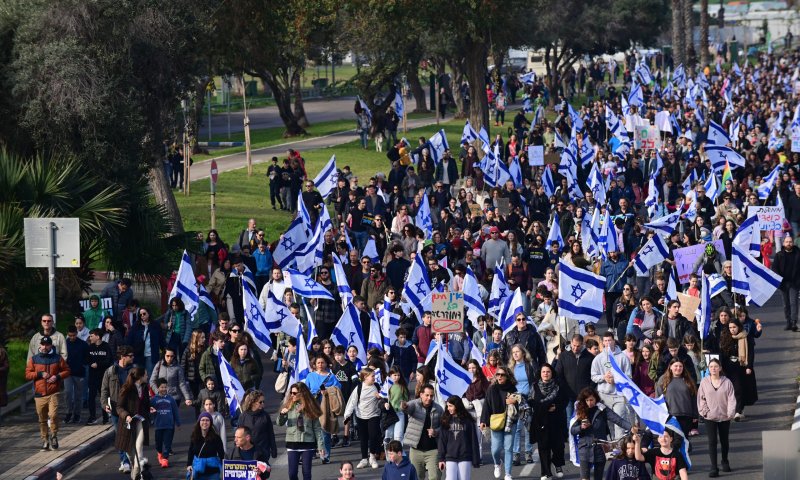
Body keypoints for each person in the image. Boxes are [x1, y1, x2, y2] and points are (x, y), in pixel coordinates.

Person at [571, 387, 634, 480]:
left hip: (601, 448)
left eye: (591, 400)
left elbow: (618, 420)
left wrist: (631, 427)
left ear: (596, 398)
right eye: (587, 400)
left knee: (598, 477)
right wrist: (581, 427)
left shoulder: (602, 409)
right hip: (585, 448)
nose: (589, 402)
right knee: (584, 478)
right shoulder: (580, 410)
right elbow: (573, 430)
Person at [25, 335, 71, 451]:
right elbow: (27, 375)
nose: (45, 347)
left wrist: (57, 377)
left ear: (51, 345)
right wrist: (40, 374)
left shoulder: (57, 358)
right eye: (43, 344)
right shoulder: (34, 359)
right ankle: (45, 440)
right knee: (42, 419)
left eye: (47, 344)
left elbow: (67, 371)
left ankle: (54, 436)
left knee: (53, 415)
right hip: (39, 394)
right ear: (40, 345)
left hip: (53, 392)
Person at [697, 358, 737, 477]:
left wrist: (730, 413)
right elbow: (701, 398)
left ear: (720, 368)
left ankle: (725, 460)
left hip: (725, 416)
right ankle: (714, 467)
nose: (713, 369)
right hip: (710, 417)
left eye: (715, 366)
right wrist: (704, 412)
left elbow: (731, 398)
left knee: (724, 441)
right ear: (708, 369)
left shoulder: (727, 382)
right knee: (712, 441)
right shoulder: (704, 382)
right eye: (711, 367)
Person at [590, 331, 633, 439]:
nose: (608, 343)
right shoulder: (598, 358)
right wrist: (604, 377)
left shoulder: (623, 357)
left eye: (609, 340)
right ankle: (611, 445)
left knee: (619, 421)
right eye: (605, 341)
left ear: (614, 341)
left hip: (619, 395)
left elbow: (629, 376)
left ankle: (619, 447)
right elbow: (593, 376)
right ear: (603, 342)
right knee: (608, 423)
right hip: (604, 395)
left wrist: (616, 379)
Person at [278, 382, 325, 480]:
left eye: (294, 393)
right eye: (291, 393)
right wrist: (283, 414)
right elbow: (279, 423)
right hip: (292, 443)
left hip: (307, 442)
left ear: (302, 393)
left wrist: (321, 446)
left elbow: (317, 428)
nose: (292, 395)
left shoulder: (310, 407)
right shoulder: (288, 405)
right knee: (292, 474)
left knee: (306, 473)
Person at [479, 365, 519, 480]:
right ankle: (497, 463)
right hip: (496, 422)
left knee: (508, 448)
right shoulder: (492, 389)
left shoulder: (513, 389)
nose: (500, 376)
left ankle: (508, 473)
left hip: (510, 422)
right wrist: (483, 421)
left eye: (502, 375)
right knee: (495, 449)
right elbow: (487, 405)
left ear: (507, 376)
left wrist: (514, 401)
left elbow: (521, 403)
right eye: (498, 374)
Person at [529, 363, 566, 480]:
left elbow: (564, 401)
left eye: (548, 372)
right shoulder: (535, 386)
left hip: (556, 420)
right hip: (540, 420)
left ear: (552, 373)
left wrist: (556, 407)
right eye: (543, 372)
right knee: (543, 447)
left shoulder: (558, 386)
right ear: (540, 374)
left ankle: (558, 464)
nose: (546, 374)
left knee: (558, 446)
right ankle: (545, 472)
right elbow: (531, 401)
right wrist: (544, 407)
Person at [101, 345, 134, 473]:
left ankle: (130, 459)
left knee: (130, 435)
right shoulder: (110, 371)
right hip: (115, 409)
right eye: (130, 356)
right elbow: (104, 390)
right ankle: (124, 461)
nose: (132, 358)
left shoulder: (133, 371)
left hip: (130, 408)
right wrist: (105, 404)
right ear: (122, 357)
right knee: (120, 435)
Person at [114, 367, 151, 480]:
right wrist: (126, 415)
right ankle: (135, 464)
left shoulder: (145, 388)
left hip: (140, 420)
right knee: (130, 451)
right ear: (140, 377)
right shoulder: (126, 388)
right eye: (146, 374)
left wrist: (150, 408)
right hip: (128, 423)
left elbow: (146, 403)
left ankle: (136, 473)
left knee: (139, 446)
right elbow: (119, 407)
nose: (147, 376)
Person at [344, 367, 384, 469]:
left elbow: (384, 397)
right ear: (365, 377)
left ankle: (372, 457)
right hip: (361, 416)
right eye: (372, 376)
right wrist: (347, 415)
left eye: (374, 376)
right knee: (363, 438)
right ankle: (364, 459)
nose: (374, 378)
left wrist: (380, 396)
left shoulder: (376, 386)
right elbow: (352, 402)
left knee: (374, 436)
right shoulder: (359, 388)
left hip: (374, 415)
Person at [402, 383, 444, 480]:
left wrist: (436, 431)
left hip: (433, 450)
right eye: (427, 395)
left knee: (435, 477)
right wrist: (404, 406)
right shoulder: (414, 404)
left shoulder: (438, 409)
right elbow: (407, 408)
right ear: (421, 395)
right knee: (416, 477)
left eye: (431, 395)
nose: (429, 398)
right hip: (416, 450)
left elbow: (444, 428)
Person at [655, 359, 697, 450]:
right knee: (672, 441)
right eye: (676, 366)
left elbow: (694, 398)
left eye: (680, 366)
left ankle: (683, 461)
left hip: (686, 415)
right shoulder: (663, 380)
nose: (678, 368)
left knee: (683, 439)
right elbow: (658, 397)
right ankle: (673, 462)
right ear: (670, 367)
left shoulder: (688, 380)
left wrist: (695, 414)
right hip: (670, 416)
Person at [437, 396, 481, 480]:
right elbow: (442, 441)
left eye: (450, 406)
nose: (448, 408)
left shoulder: (468, 421)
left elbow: (473, 440)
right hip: (450, 456)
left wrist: (476, 459)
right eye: (447, 406)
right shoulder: (445, 420)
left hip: (465, 456)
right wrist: (441, 459)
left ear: (457, 406)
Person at [238, 390, 278, 461]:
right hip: (248, 452)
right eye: (260, 402)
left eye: (263, 402)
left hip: (263, 452)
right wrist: (237, 449)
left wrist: (273, 450)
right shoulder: (243, 416)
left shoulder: (265, 416)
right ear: (253, 402)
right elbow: (238, 434)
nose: (263, 404)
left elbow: (270, 434)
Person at [186, 412, 226, 480]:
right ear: (199, 422)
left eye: (207, 420)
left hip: (213, 472)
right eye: (203, 420)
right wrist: (189, 465)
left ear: (210, 423)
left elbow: (221, 453)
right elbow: (191, 451)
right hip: (198, 471)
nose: (205, 422)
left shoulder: (216, 438)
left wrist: (224, 466)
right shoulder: (194, 436)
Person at [772, 235, 800, 331]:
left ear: (793, 243)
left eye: (790, 241)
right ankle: (788, 321)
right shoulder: (779, 255)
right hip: (783, 284)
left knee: (794, 302)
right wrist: (779, 280)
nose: (789, 243)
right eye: (787, 242)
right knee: (786, 304)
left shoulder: (798, 254)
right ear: (783, 243)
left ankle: (793, 322)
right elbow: (774, 269)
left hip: (794, 283)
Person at [85, 328, 112, 425]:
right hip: (92, 377)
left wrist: (98, 364)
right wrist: (91, 363)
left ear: (97, 336)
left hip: (103, 376)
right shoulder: (90, 347)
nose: (90, 338)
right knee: (91, 397)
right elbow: (86, 359)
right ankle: (92, 417)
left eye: (92, 336)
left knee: (103, 397)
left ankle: (106, 417)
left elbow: (109, 360)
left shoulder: (106, 347)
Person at [151, 377, 180, 468]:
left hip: (169, 426)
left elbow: (175, 411)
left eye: (165, 387)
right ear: (158, 388)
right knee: (158, 444)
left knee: (167, 443)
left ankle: (165, 459)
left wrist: (178, 422)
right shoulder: (154, 399)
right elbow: (149, 410)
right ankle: (160, 453)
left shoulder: (171, 399)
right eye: (162, 387)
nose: (163, 389)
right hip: (158, 426)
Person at [126, 307, 162, 376]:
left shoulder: (155, 325)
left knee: (149, 376)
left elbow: (161, 339)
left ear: (148, 314)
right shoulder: (136, 325)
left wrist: (165, 351)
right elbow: (129, 339)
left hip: (151, 355)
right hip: (138, 355)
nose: (142, 315)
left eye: (144, 314)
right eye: (140, 314)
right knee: (137, 376)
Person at [64, 325, 88, 425]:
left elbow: (87, 357)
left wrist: (83, 365)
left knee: (78, 395)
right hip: (68, 373)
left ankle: (77, 414)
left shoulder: (83, 344)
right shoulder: (65, 344)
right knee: (68, 393)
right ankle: (69, 412)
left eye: (73, 335)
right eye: (70, 335)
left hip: (79, 373)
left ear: (76, 334)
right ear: (67, 334)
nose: (72, 337)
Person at [182, 330, 206, 416]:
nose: (204, 339)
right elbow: (183, 366)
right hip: (193, 380)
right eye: (202, 337)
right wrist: (184, 380)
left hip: (203, 379)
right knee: (197, 400)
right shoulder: (188, 350)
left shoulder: (205, 349)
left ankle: (204, 417)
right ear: (196, 339)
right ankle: (199, 418)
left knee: (204, 399)